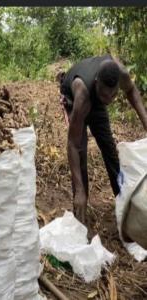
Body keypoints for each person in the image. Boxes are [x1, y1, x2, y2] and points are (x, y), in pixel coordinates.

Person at [58, 54, 147, 224]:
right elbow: (72, 144)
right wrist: (79, 190)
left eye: (112, 97)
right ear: (97, 81)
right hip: (74, 99)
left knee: (110, 151)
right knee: (81, 154)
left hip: (95, 99)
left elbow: (131, 91)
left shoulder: (119, 74)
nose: (108, 101)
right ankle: (81, 218)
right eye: (105, 96)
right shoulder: (82, 93)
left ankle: (125, 206)